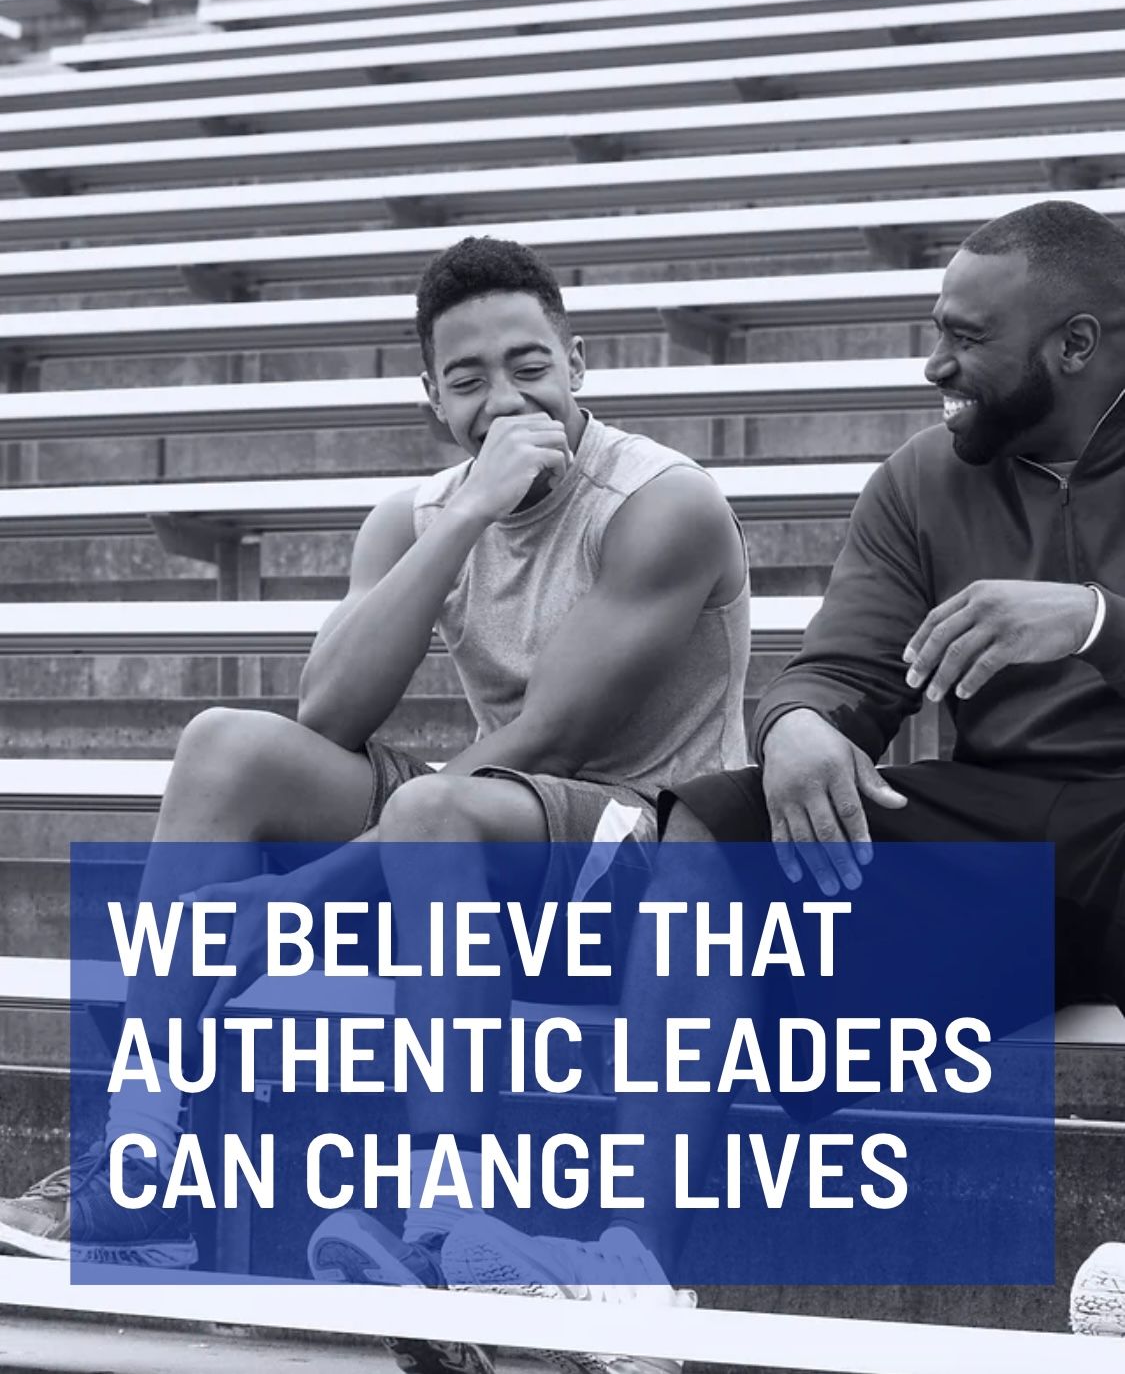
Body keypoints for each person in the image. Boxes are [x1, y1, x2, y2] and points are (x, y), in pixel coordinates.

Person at [0, 236, 750, 1315]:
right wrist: (463, 519)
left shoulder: (661, 502)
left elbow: (551, 737)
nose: (505, 400)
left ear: (578, 364)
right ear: (430, 399)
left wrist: (299, 897)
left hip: (653, 855)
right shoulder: (421, 513)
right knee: (227, 745)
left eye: (530, 366)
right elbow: (331, 713)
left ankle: (441, 1220)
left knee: (436, 806)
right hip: (496, 835)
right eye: (468, 379)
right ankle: (142, 1169)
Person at [443, 199, 1125, 1341]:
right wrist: (801, 724)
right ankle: (631, 1274)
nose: (935, 363)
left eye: (966, 338)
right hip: (1002, 826)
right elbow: (840, 666)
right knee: (722, 824)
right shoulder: (922, 477)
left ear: (1075, 344)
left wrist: (1095, 619)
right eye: (936, 329)